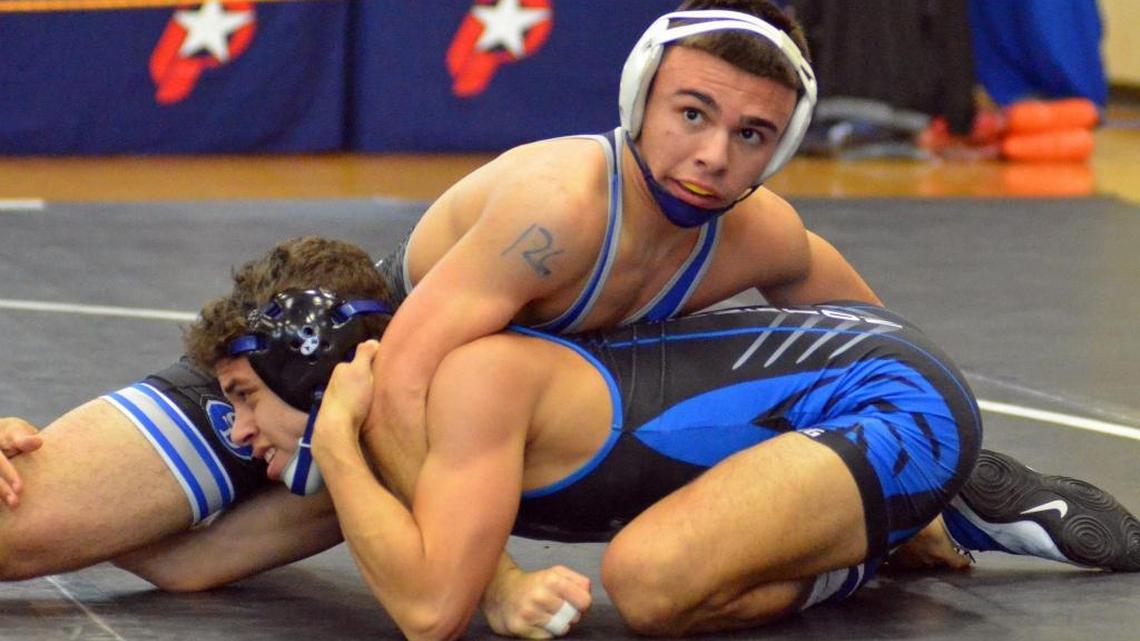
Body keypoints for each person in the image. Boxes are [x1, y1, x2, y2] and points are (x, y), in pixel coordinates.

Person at [2, 237, 1137, 639]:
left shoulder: (458, 388)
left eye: (246, 396)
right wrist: (68, 538)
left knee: (648, 582)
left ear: (325, 375)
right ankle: (873, 516)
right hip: (802, 384)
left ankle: (890, 520)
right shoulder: (388, 410)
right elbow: (198, 560)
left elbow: (431, 611)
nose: (235, 424)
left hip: (886, 396)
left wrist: (344, 449)